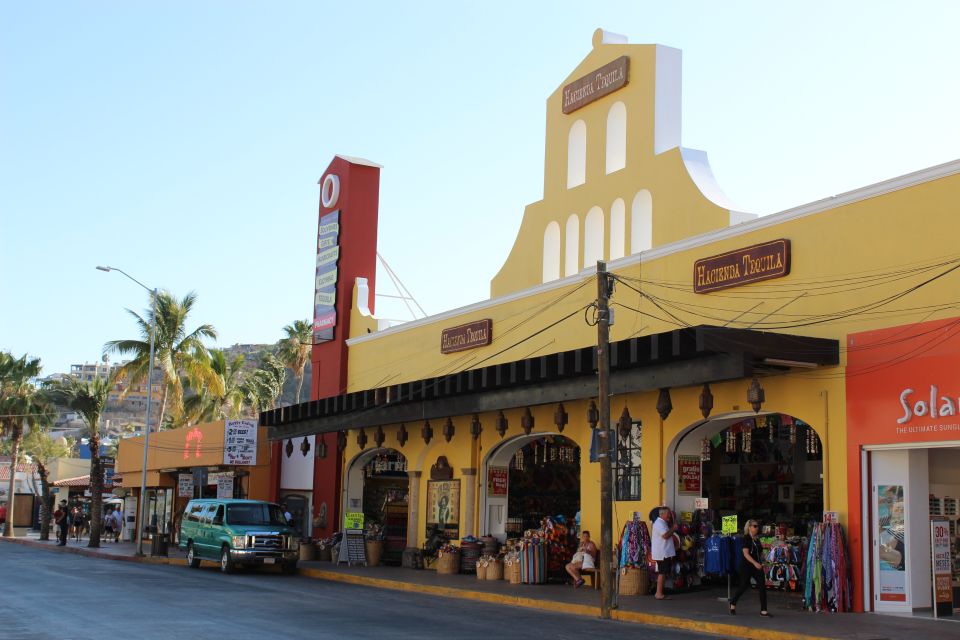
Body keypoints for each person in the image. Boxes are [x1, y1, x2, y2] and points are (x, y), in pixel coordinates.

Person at [729, 519, 771, 617]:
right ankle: (733, 603)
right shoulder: (746, 538)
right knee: (743, 586)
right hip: (747, 566)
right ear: (749, 527)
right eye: (754, 526)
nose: (757, 528)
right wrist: (755, 563)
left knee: (762, 586)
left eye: (757, 526)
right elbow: (746, 554)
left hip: (757, 566)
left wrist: (764, 559)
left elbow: (759, 553)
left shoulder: (757, 539)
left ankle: (763, 610)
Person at [651, 506, 677, 600]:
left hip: (664, 552)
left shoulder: (662, 522)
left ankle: (660, 592)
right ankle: (658, 593)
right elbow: (665, 536)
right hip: (662, 553)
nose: (669, 516)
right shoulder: (659, 523)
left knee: (663, 572)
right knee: (662, 572)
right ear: (662, 514)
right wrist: (673, 529)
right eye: (668, 514)